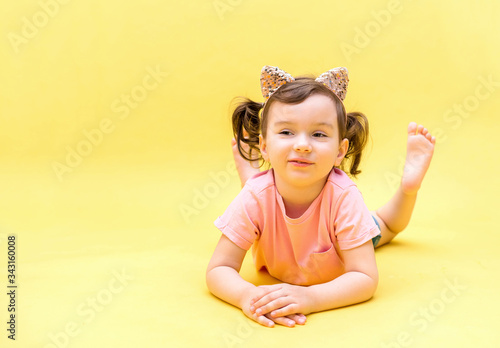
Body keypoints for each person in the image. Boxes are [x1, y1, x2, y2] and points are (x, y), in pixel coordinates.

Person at [206, 65, 436, 328]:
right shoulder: (255, 197)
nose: (302, 144)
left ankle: (408, 188)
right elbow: (218, 269)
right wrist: (247, 295)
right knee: (258, 192)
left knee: (385, 225)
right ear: (265, 145)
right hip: (265, 201)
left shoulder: (344, 197)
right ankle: (250, 170)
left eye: (318, 134)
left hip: (340, 235)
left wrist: (311, 298)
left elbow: (364, 277)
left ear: (340, 151)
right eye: (286, 132)